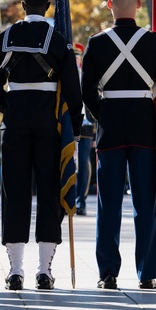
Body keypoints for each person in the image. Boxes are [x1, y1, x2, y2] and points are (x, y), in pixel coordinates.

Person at [80, 0, 156, 290]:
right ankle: (148, 272)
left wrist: (103, 116)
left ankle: (108, 272)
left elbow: (87, 92)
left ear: (110, 4)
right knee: (145, 204)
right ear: (138, 4)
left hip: (110, 130)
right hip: (144, 127)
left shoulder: (96, 43)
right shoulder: (153, 42)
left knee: (108, 204)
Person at [0, 0, 83, 290]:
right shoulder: (58, 40)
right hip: (49, 124)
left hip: (15, 122)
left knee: (15, 191)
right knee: (50, 191)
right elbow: (73, 91)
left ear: (24, 6)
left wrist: (8, 106)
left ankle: (15, 270)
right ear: (49, 6)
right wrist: (74, 130)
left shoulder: (6, 38)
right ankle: (44, 269)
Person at [73, 43, 96, 217]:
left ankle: (81, 201)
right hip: (68, 123)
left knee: (84, 166)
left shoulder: (86, 75)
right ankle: (68, 199)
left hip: (86, 126)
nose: (75, 58)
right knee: (68, 164)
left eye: (77, 55)